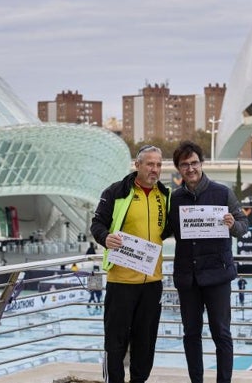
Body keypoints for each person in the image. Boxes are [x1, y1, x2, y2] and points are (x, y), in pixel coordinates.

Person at [163, 140, 248, 383]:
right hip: (188, 277)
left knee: (221, 333)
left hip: (217, 275)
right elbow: (165, 229)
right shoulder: (175, 199)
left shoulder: (222, 193)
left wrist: (233, 225)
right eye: (184, 165)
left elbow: (243, 226)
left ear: (201, 164)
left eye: (194, 163)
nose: (190, 169)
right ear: (178, 169)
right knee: (191, 334)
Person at [90, 145, 170, 383]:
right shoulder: (116, 192)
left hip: (152, 281)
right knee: (115, 340)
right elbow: (97, 224)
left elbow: (171, 229)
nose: (154, 169)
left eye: (158, 165)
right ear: (137, 165)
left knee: (145, 341)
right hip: (121, 280)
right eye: (150, 164)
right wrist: (106, 238)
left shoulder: (165, 195)